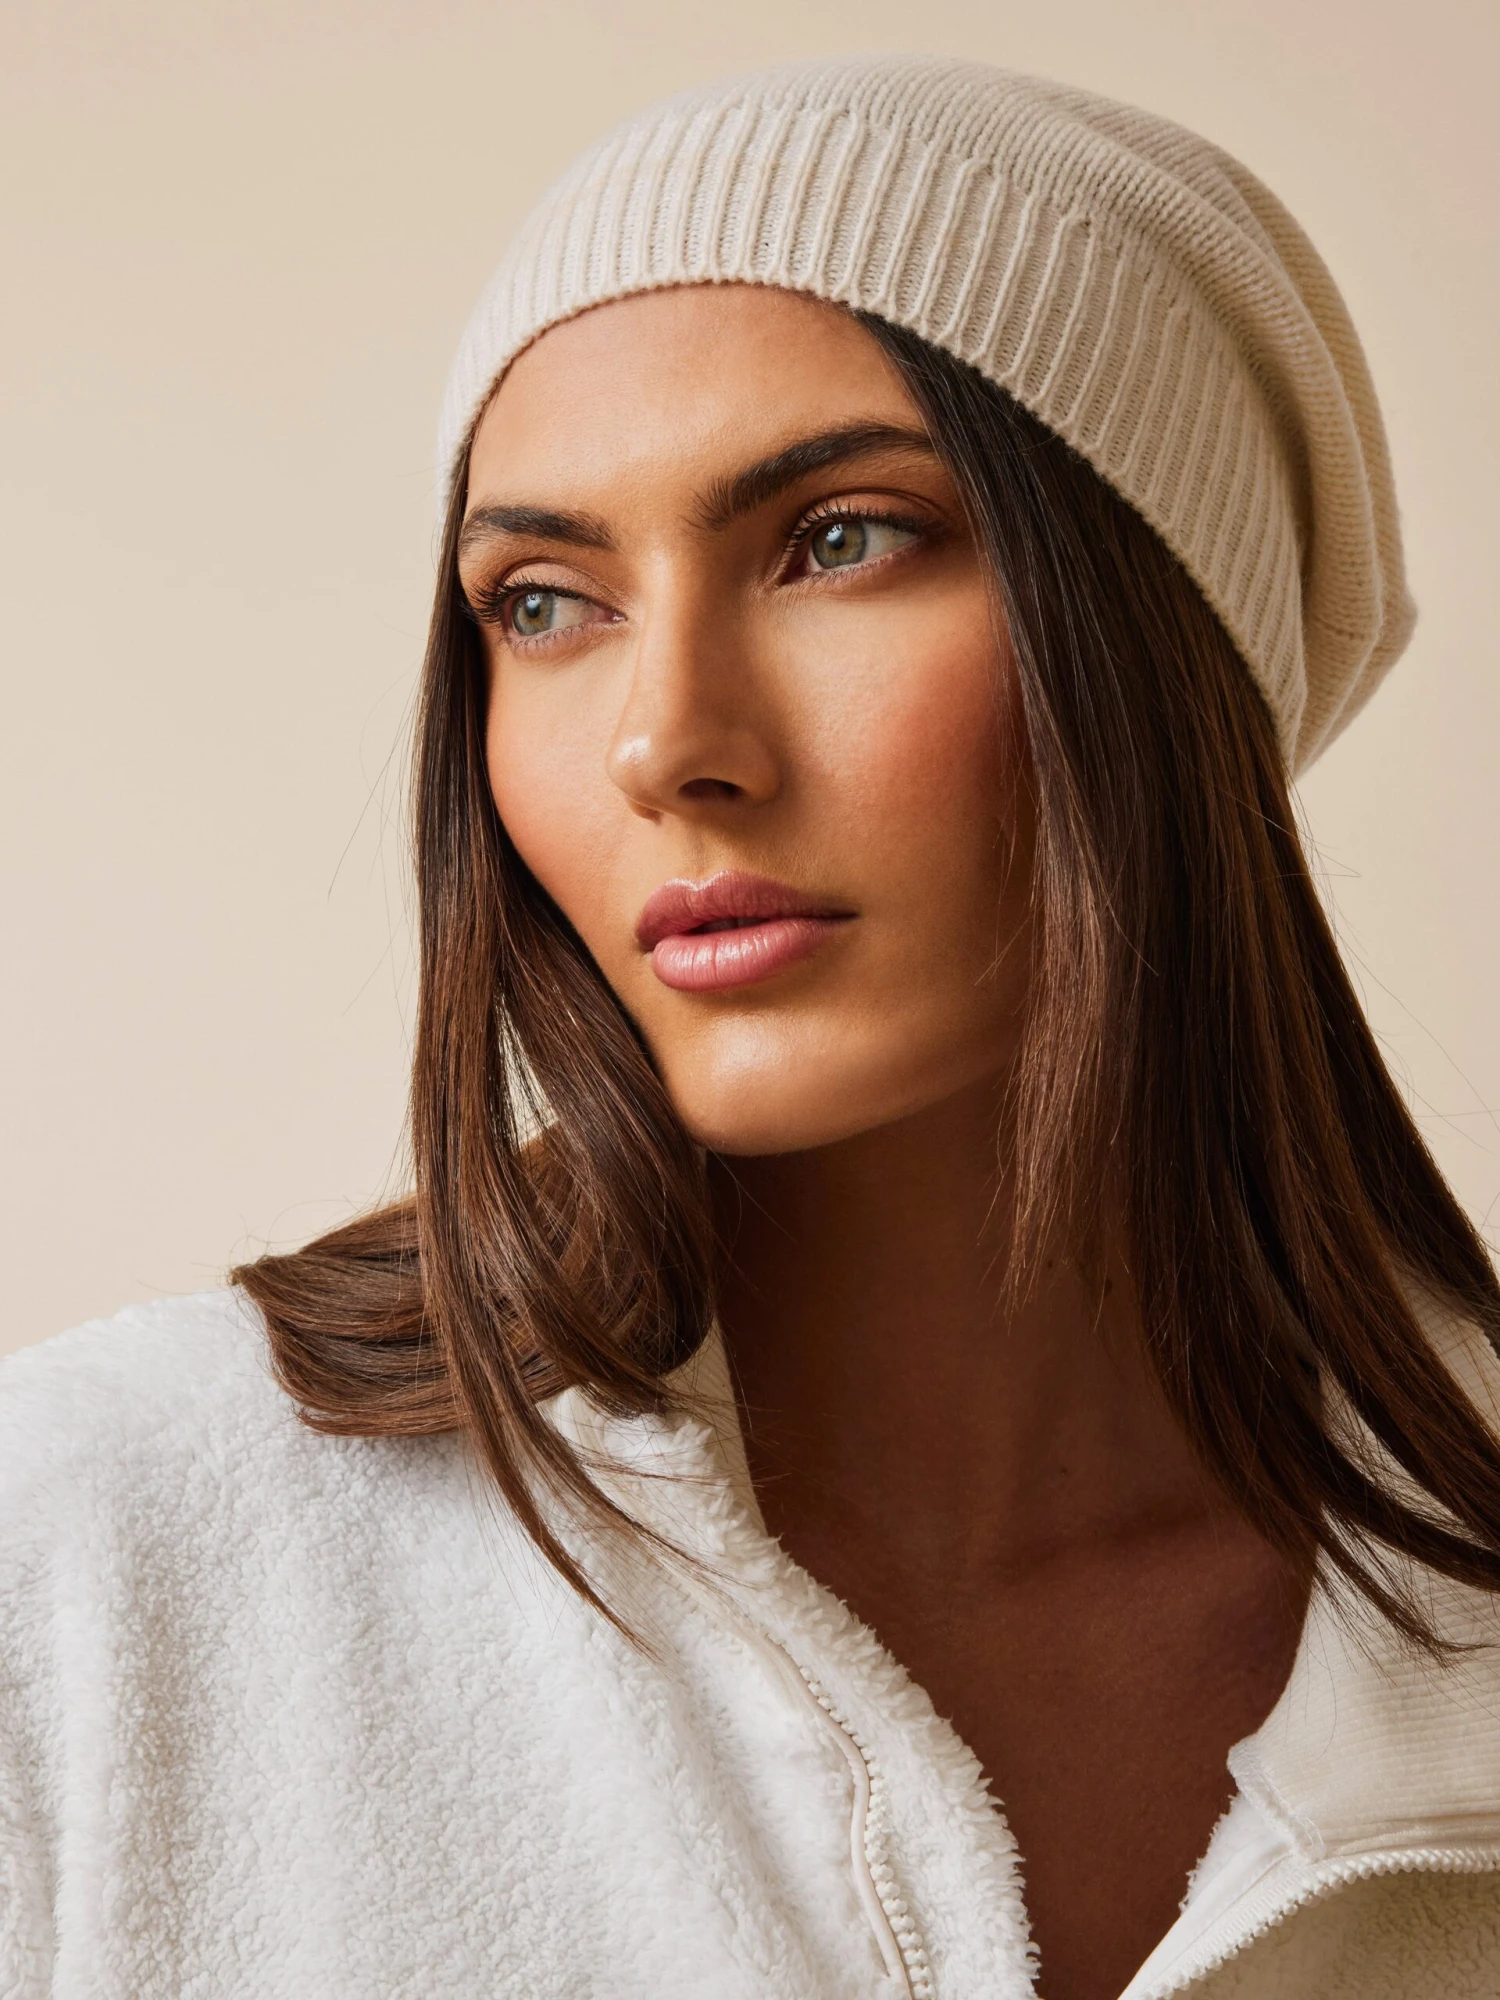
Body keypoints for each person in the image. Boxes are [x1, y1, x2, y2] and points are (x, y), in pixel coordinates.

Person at [4, 54, 1500, 2000]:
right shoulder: (94, 1567)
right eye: (546, 602)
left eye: (841, 539)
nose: (663, 741)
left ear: (1173, 635)